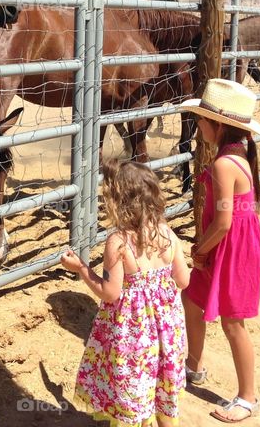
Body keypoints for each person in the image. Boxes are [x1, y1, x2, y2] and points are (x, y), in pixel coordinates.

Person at [61, 160, 188, 427]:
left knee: (133, 391)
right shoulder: (169, 234)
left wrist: (81, 269)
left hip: (134, 335)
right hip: (168, 331)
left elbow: (110, 293)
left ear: (117, 200)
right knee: (163, 391)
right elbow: (183, 280)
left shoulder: (118, 242)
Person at [179, 78, 260, 423]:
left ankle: (248, 397)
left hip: (230, 247)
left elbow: (225, 222)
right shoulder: (237, 154)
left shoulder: (223, 164)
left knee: (233, 323)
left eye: (201, 119)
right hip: (232, 243)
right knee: (192, 297)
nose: (197, 124)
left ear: (217, 125)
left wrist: (201, 250)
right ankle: (194, 364)